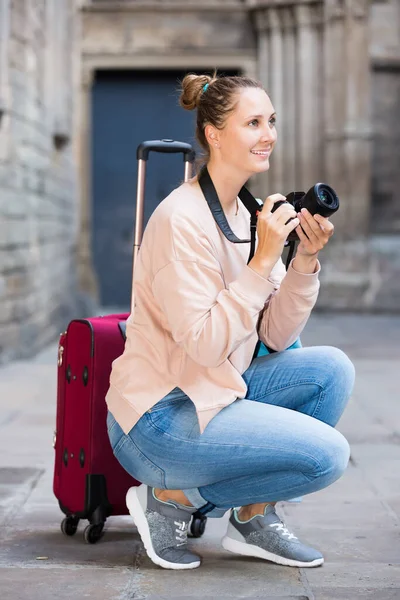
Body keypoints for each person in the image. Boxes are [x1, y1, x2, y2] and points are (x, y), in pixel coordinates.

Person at [105, 73, 355, 571]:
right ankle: (170, 500)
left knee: (331, 371)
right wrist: (262, 264)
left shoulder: (249, 213)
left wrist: (301, 260)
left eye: (272, 122)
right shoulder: (182, 220)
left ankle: (254, 518)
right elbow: (202, 344)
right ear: (215, 135)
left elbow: (276, 337)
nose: (269, 134)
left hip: (216, 391)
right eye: (254, 123)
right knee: (326, 456)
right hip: (158, 417)